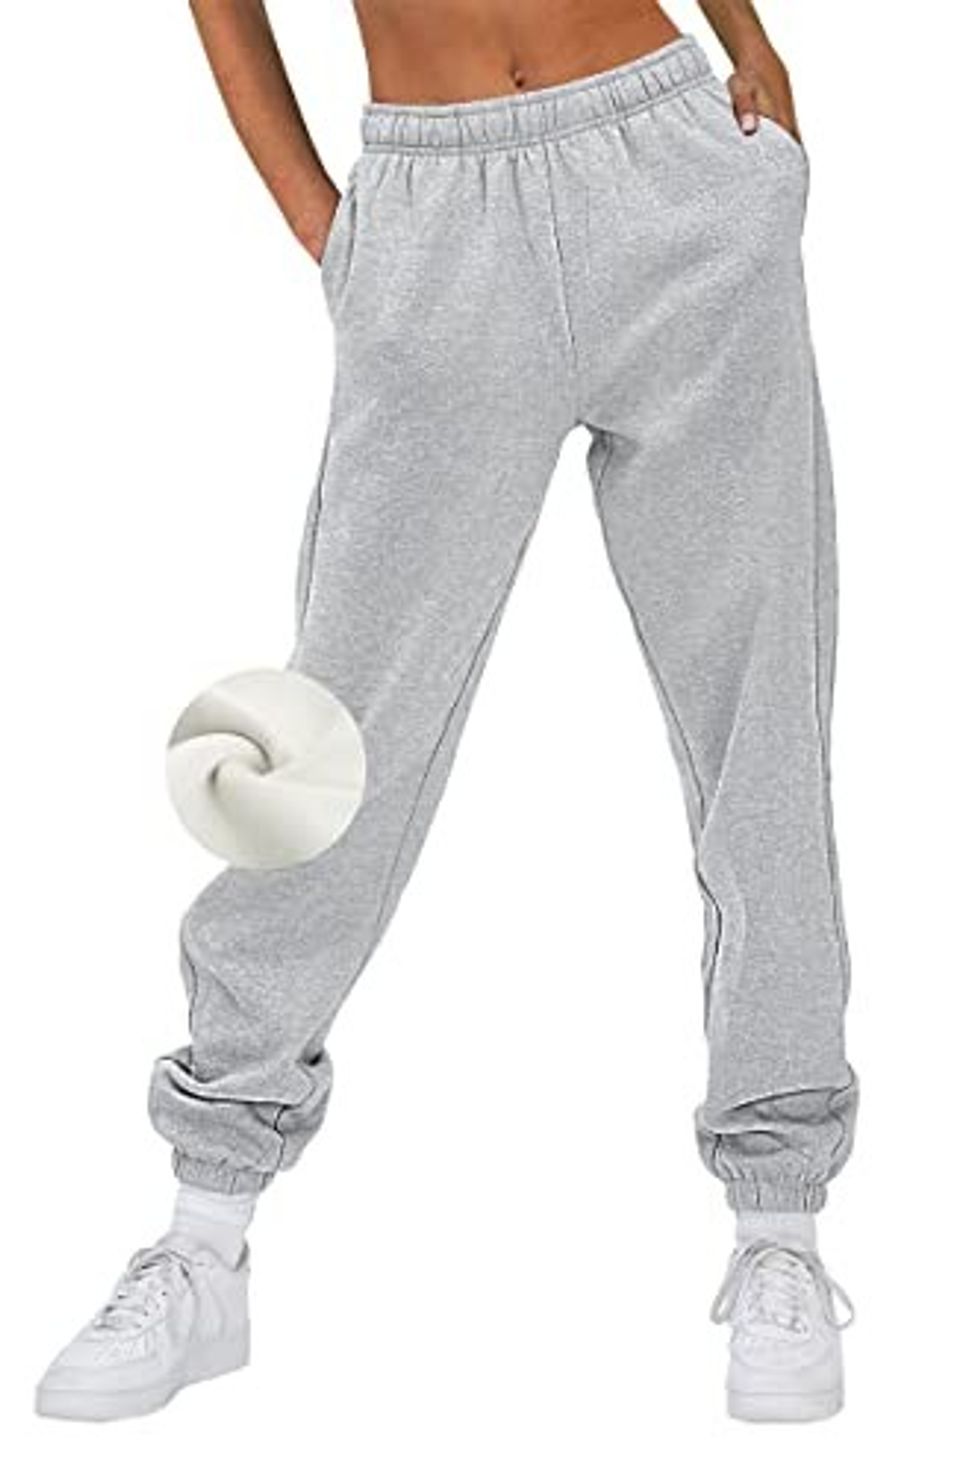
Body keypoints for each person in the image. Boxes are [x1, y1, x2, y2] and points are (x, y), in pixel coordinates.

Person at [36, 0, 859, 1424]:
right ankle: (205, 1228)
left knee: (760, 725)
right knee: (329, 744)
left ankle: (780, 1225)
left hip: (673, 168)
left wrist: (750, 40)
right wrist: (331, 230)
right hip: (432, 212)